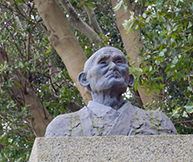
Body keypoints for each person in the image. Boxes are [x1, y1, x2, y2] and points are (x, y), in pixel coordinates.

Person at [44, 46, 176, 137]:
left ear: (130, 80)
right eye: (103, 63)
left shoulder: (159, 122)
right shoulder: (62, 126)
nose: (113, 66)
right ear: (84, 79)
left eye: (119, 62)